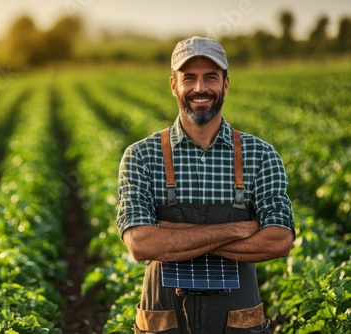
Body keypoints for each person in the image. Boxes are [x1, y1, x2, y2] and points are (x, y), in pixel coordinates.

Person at [116, 36, 295, 334]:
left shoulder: (260, 155)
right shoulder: (142, 156)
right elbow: (141, 243)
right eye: (189, 78)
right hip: (165, 321)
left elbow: (279, 240)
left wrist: (172, 235)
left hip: (237, 322)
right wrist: (238, 229)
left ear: (225, 84)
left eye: (210, 77)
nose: (200, 88)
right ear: (173, 85)